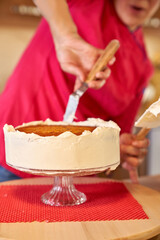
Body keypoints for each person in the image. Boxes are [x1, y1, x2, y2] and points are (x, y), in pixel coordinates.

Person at [0, 0, 159, 182]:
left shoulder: (143, 65)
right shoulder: (84, 3)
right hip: (16, 158)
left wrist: (120, 148)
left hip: (78, 177)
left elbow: (117, 138)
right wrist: (66, 36)